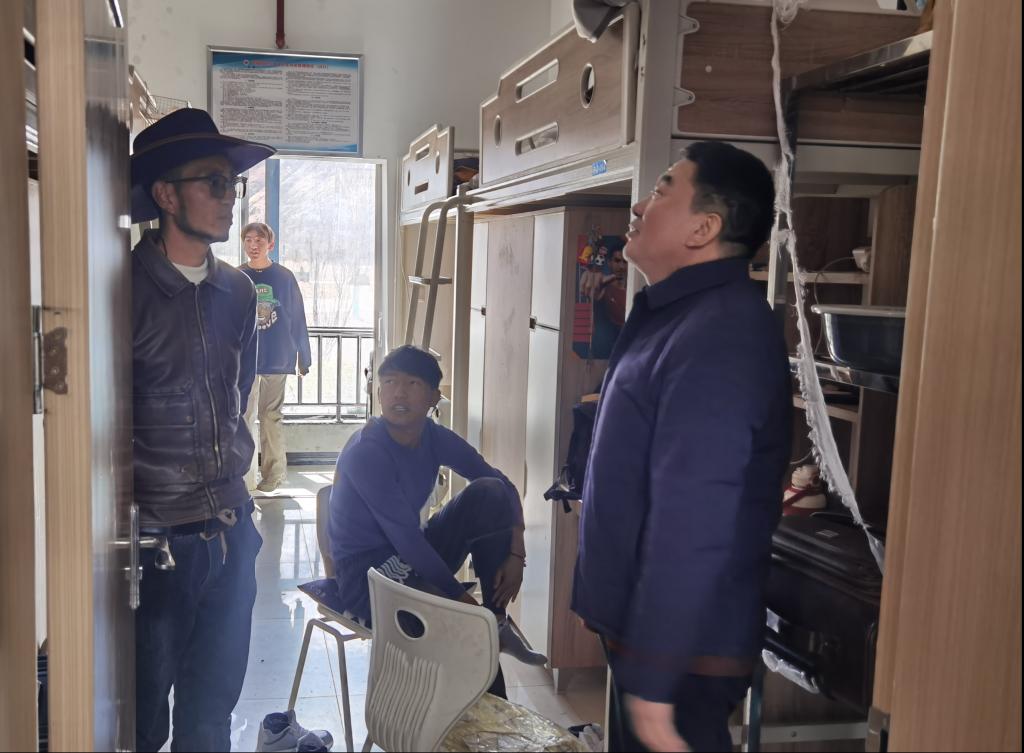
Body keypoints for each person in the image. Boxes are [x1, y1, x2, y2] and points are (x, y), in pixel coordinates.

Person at [572, 141, 792, 752]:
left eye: (663, 190)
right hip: (650, 639)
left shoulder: (721, 332)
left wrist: (655, 674)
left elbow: (695, 516)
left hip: (683, 653)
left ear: (704, 228)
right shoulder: (678, 314)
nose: (640, 205)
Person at [129, 108, 274, 752]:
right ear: (166, 195)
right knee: (141, 723)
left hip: (232, 531)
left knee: (210, 716)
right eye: (212, 183)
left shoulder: (237, 292)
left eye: (230, 184)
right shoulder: (121, 291)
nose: (227, 198)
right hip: (155, 543)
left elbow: (237, 395)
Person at [327, 345, 548, 689]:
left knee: (488, 492)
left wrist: (517, 552)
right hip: (367, 575)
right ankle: (490, 642)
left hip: (409, 556)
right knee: (470, 630)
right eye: (390, 382)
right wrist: (465, 604)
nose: (399, 393)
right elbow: (407, 540)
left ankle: (497, 619)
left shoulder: (432, 436)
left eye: (413, 383)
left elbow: (502, 485)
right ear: (379, 392)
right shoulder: (366, 451)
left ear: (433, 397)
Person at [238, 221, 312, 493]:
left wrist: (304, 357)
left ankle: (273, 475)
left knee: (270, 417)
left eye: (259, 240)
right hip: (245, 360)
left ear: (270, 244)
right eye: (248, 240)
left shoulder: (284, 277)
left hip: (277, 357)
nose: (253, 245)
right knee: (244, 416)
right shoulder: (237, 276)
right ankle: (244, 477)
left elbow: (298, 316)